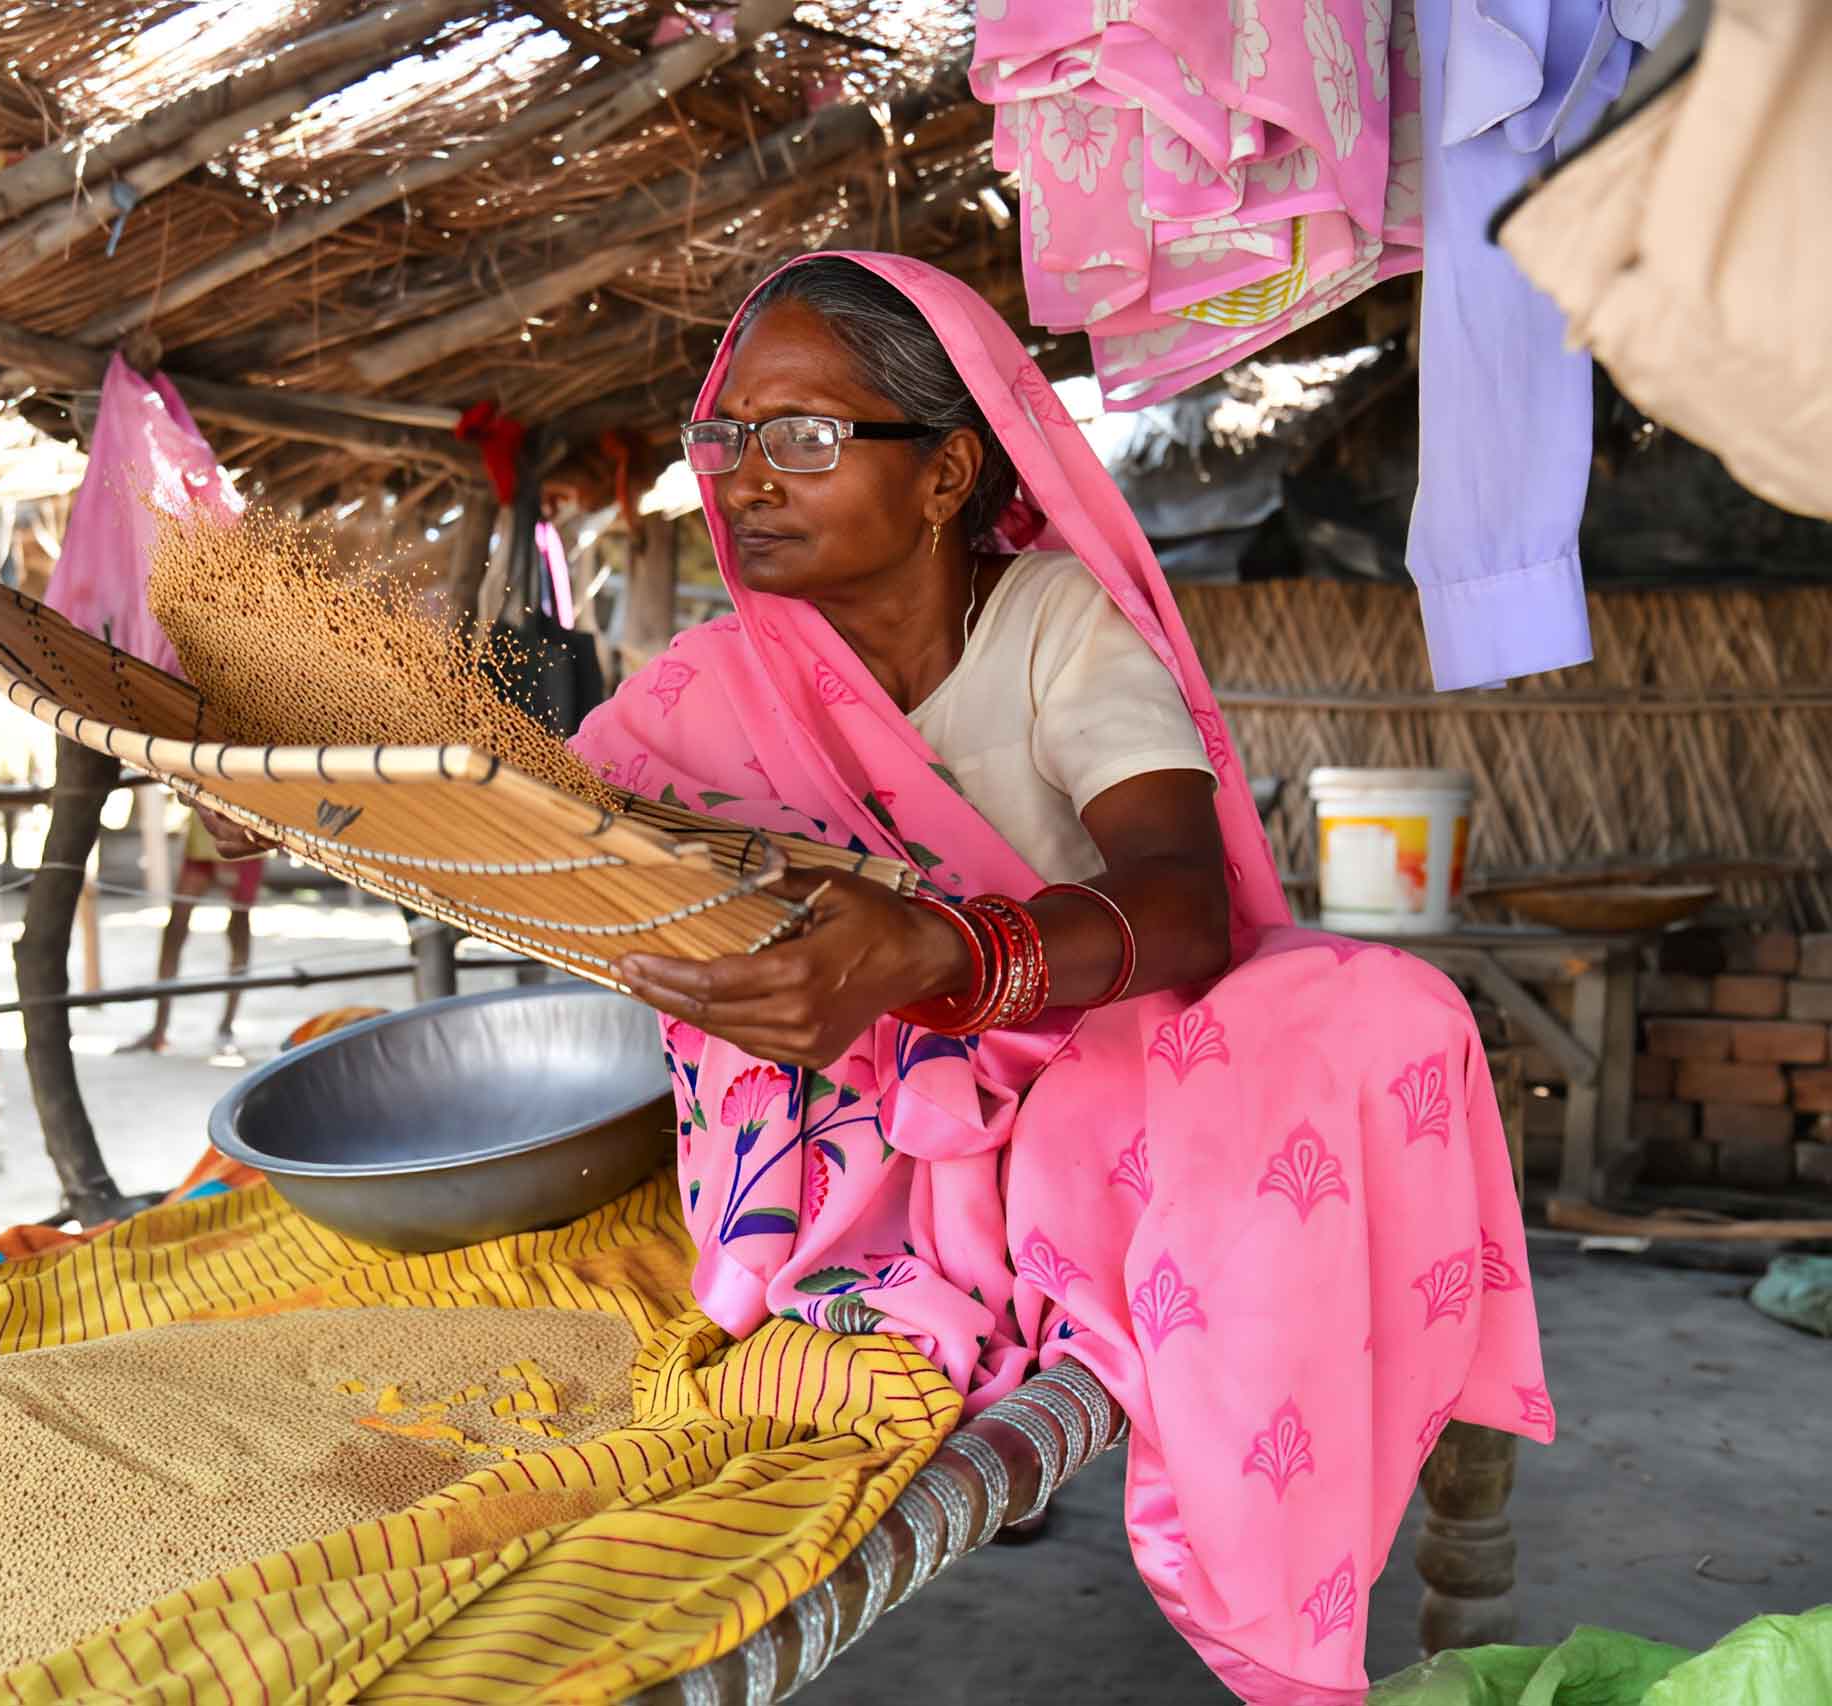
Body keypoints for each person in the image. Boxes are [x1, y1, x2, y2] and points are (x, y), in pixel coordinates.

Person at [558, 254, 1549, 1704]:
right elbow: (558, 849)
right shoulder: (709, 683)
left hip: (1091, 1090)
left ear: (948, 469)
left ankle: (1274, 1568)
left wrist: (950, 956)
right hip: (851, 1139)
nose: (746, 475)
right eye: (729, 435)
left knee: (1376, 1009)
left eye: (804, 435)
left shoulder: (1053, 627)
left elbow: (1182, 900)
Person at [125, 807, 264, 1062]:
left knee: (238, 928)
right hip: (203, 834)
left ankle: (226, 1028)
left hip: (243, 832)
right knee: (176, 926)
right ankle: (159, 1028)